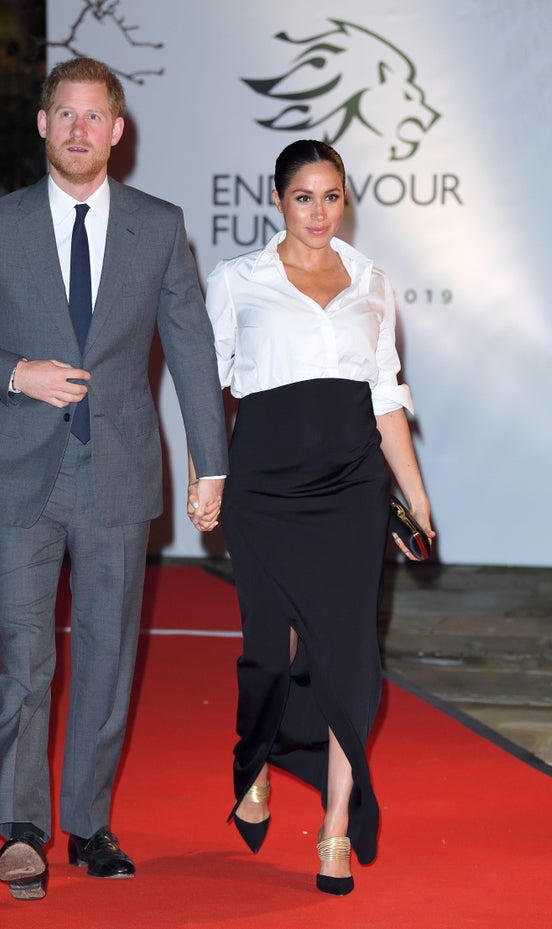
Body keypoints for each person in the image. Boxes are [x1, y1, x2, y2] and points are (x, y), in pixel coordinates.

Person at [0, 57, 227, 901]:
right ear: (43, 125)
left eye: (96, 117)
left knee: (105, 656)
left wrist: (214, 461)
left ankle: (89, 825)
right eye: (66, 115)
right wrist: (15, 370)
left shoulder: (158, 226)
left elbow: (192, 347)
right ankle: (21, 829)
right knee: (26, 658)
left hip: (120, 475)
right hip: (22, 473)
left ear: (117, 132)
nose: (80, 130)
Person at [194, 139, 433, 895]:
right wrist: (209, 475)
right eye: (305, 197)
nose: (320, 212)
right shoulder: (237, 280)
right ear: (277, 201)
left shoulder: (370, 280)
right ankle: (255, 757)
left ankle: (334, 825)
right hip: (264, 492)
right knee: (270, 649)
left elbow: (386, 394)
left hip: (351, 490)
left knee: (349, 659)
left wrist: (417, 497)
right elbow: (208, 391)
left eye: (333, 197)